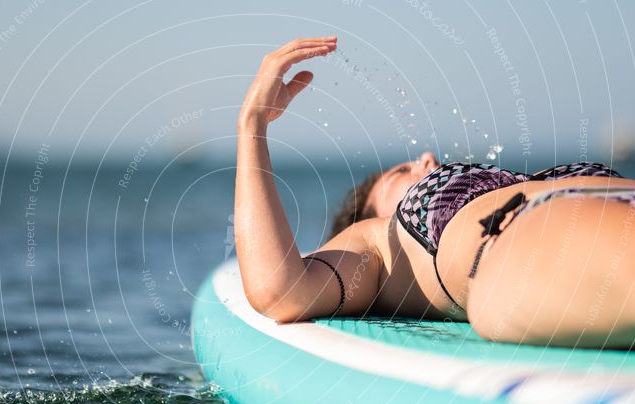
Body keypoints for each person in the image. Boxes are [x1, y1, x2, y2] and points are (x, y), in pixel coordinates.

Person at [235, 36, 635, 349]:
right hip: (538, 239)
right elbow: (280, 291)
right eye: (400, 173)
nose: (426, 157)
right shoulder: (377, 243)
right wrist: (252, 124)